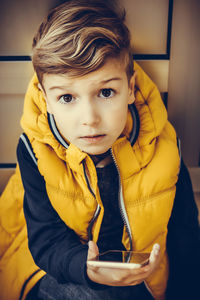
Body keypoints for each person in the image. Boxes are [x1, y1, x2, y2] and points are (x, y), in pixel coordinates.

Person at [0, 0, 199, 299]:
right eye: (67, 98)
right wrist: (86, 266)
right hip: (61, 267)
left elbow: (185, 235)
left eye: (106, 92)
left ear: (130, 89)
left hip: (142, 276)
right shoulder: (35, 151)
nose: (90, 119)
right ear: (46, 100)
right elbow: (45, 238)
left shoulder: (165, 145)